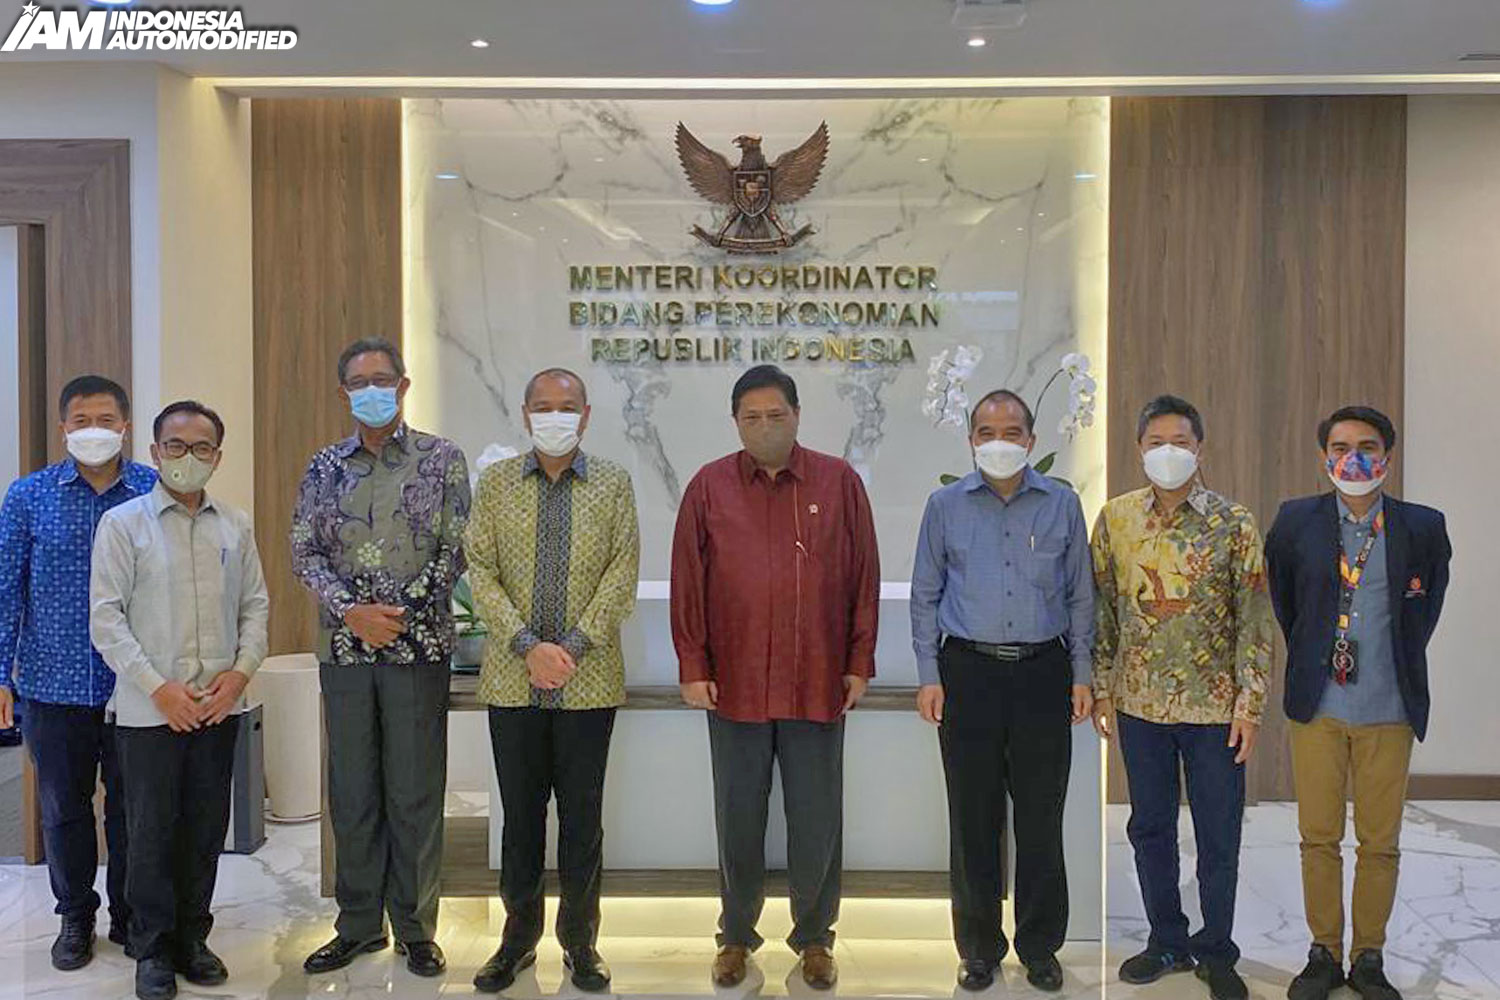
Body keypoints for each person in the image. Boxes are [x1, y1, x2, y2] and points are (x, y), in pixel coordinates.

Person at [670, 364, 879, 991]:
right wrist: (692, 666)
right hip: (733, 685)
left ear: (797, 415)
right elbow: (688, 583)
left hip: (817, 680)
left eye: (776, 415)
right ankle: (735, 936)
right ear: (736, 422)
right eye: (752, 417)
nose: (765, 426)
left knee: (817, 818)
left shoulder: (838, 482)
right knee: (738, 817)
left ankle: (815, 939)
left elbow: (863, 577)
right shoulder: (708, 487)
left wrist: (859, 661)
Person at [293, 338, 471, 979]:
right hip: (345, 650)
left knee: (415, 790)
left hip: (418, 648)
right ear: (343, 392)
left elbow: (455, 548)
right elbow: (304, 550)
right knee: (353, 790)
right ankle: (358, 925)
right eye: (358, 381)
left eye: (382, 377)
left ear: (403, 384)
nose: (371, 389)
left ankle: (417, 929)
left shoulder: (442, 459)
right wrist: (352, 613)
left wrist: (395, 617)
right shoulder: (323, 466)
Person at [909, 389, 1094, 993]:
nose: (999, 442)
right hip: (968, 674)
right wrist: (929, 674)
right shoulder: (945, 506)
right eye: (986, 432)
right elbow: (925, 595)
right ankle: (978, 948)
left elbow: (1080, 596)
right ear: (970, 441)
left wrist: (1083, 673)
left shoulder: (1062, 504)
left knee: (1042, 817)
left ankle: (1040, 947)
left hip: (1044, 672)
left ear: (1031, 440)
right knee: (973, 818)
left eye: (1012, 432)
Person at [1265, 406, 1451, 1000]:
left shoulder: (1423, 526)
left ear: (1387, 457)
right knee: (1318, 837)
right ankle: (1323, 952)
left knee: (1380, 842)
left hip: (1389, 709)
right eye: (1341, 447)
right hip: (1318, 707)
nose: (1354, 458)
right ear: (1325, 457)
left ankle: (1369, 956)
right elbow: (1286, 602)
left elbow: (1425, 610)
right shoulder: (1295, 521)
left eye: (1367, 447)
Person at [1091, 394, 1272, 1000]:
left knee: (1218, 832)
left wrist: (1250, 705)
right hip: (1139, 704)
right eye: (1156, 443)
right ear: (1138, 449)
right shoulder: (1116, 519)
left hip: (1214, 708)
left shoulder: (1233, 523)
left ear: (1200, 448)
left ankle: (1216, 949)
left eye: (1180, 443)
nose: (1168, 453)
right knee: (1150, 827)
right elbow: (1102, 608)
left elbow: (1254, 619)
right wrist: (1101, 687)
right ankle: (1165, 937)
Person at [464, 368, 640, 994]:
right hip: (512, 683)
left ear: (586, 416)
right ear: (525, 414)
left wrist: (568, 648)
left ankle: (581, 942)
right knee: (520, 819)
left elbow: (621, 574)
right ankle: (516, 941)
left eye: (567, 407)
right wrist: (526, 646)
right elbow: (480, 569)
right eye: (544, 407)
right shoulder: (496, 483)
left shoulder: (613, 483)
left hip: (588, 681)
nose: (555, 417)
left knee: (582, 818)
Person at [90, 400, 269, 1000]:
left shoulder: (235, 525)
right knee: (149, 833)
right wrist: (159, 689)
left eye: (201, 448)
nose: (187, 457)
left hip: (218, 707)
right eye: (175, 445)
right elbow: (106, 620)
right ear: (153, 451)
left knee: (204, 828)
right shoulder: (123, 524)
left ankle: (194, 937)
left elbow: (255, 608)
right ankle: (153, 948)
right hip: (150, 712)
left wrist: (239, 676)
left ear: (217, 457)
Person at [0, 375, 156, 970]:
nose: (94, 430)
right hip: (52, 683)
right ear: (64, 427)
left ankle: (129, 914)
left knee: (132, 808)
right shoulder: (29, 496)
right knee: (64, 808)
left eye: (106, 420)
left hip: (135, 683)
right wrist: (2, 674)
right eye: (82, 420)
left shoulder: (152, 490)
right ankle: (75, 916)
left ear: (126, 426)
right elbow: (6, 589)